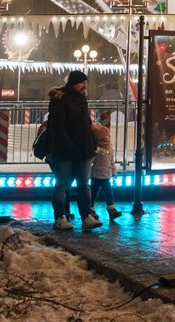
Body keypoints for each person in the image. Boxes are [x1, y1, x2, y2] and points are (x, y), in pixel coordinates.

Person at [48, 71, 101, 231]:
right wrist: (71, 147)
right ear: (72, 83)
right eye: (81, 83)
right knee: (63, 184)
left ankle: (86, 217)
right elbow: (58, 128)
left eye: (85, 83)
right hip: (65, 150)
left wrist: (91, 144)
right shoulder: (60, 99)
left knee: (84, 184)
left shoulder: (81, 98)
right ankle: (60, 217)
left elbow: (85, 123)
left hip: (83, 150)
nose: (84, 86)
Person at [90, 121, 122, 221]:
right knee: (93, 193)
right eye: (105, 137)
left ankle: (111, 209)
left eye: (108, 136)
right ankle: (90, 209)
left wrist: (113, 171)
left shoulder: (110, 149)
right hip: (95, 175)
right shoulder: (96, 150)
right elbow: (91, 161)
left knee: (109, 193)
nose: (108, 138)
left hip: (106, 176)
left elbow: (111, 161)